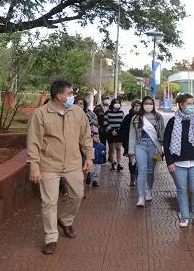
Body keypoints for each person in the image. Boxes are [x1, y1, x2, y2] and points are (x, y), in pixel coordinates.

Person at [26, 80, 93, 255]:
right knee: (49, 202)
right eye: (70, 93)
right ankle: (51, 238)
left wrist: (89, 156)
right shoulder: (40, 114)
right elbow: (33, 143)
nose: (72, 96)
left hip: (72, 163)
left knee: (78, 194)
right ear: (59, 96)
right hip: (49, 164)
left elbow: (86, 136)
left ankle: (66, 220)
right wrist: (34, 166)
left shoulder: (77, 112)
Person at [163, 93, 194, 228]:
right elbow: (166, 144)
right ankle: (185, 217)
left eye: (193, 103)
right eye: (189, 103)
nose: (191, 106)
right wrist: (169, 162)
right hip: (178, 163)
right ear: (181, 104)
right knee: (181, 190)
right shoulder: (173, 122)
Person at [128, 96, 165, 207]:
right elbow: (132, 135)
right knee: (142, 170)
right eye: (146, 103)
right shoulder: (136, 118)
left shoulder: (159, 117)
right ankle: (140, 197)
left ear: (153, 105)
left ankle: (149, 189)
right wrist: (131, 151)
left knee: (150, 171)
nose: (148, 105)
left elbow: (162, 134)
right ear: (143, 104)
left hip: (153, 146)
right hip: (140, 145)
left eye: (150, 103)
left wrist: (161, 149)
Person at [120, 99, 142, 185]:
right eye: (136, 106)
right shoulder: (128, 118)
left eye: (139, 106)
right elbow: (122, 131)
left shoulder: (143, 117)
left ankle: (138, 177)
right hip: (130, 144)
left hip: (141, 144)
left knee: (141, 161)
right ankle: (132, 178)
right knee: (132, 161)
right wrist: (125, 143)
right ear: (133, 107)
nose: (138, 108)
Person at [104, 98, 125, 170]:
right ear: (112, 104)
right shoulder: (107, 112)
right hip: (110, 133)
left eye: (118, 102)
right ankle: (112, 163)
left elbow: (123, 123)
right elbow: (105, 123)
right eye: (115, 102)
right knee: (111, 149)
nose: (117, 104)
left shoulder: (121, 112)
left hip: (119, 133)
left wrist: (118, 131)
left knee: (118, 148)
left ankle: (119, 164)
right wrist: (111, 130)